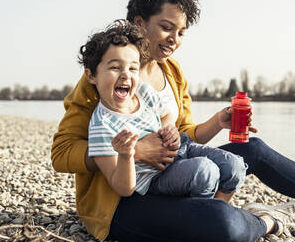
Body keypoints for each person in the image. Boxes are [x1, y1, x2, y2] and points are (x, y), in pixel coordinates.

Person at [51, 0, 295, 242]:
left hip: (173, 175)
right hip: (124, 201)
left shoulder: (171, 74)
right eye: (165, 27)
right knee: (220, 224)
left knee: (248, 147)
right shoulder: (106, 79)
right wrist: (135, 151)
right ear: (138, 23)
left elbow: (181, 138)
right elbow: (62, 152)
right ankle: (272, 218)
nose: (174, 39)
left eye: (181, 32)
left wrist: (218, 122)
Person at [80, 21, 248, 201]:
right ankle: (207, 211)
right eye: (115, 67)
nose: (126, 74)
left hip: (181, 147)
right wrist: (126, 155)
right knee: (205, 171)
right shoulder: (101, 126)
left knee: (234, 165)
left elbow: (166, 114)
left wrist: (169, 129)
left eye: (133, 68)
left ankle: (221, 208)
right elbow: (123, 188)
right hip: (155, 176)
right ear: (91, 76)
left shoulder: (143, 92)